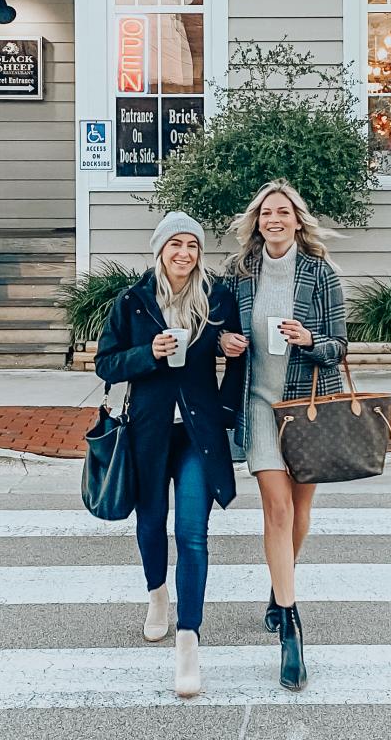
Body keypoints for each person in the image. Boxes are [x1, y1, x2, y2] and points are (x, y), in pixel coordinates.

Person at [95, 211, 246, 699]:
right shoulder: (134, 301)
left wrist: (228, 384)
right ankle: (156, 594)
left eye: (193, 246)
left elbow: (238, 360)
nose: (184, 253)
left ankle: (188, 640)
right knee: (150, 523)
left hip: (199, 433)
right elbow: (105, 362)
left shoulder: (217, 298)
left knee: (193, 535)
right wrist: (148, 354)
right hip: (149, 431)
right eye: (176, 245)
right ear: (160, 250)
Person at [220, 180, 347, 691]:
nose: (273, 219)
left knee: (300, 509)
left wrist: (310, 339)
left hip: (307, 405)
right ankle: (291, 625)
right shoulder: (238, 274)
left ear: (298, 220)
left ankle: (277, 591)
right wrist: (225, 342)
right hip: (259, 404)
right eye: (265, 213)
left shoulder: (321, 274)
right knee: (276, 508)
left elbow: (339, 346)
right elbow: (218, 330)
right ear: (257, 222)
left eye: (282, 212)